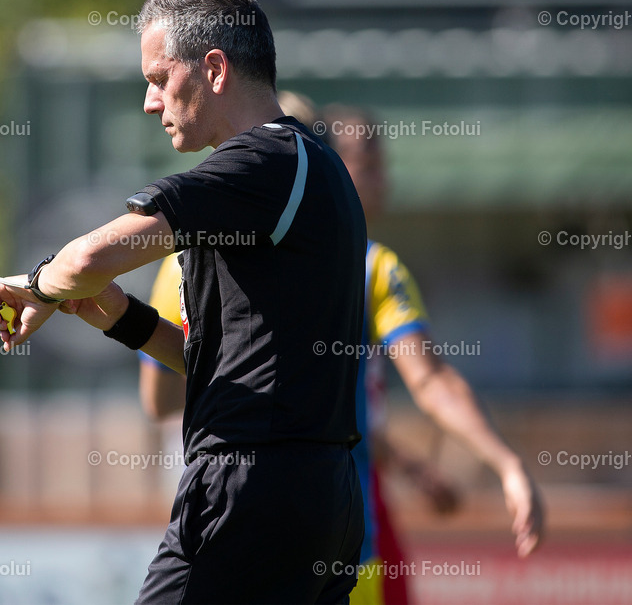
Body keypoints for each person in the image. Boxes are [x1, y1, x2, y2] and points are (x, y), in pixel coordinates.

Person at [0, 0, 367, 603]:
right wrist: (119, 316)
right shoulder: (312, 166)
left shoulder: (262, 163)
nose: (149, 101)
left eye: (159, 78)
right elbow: (215, 363)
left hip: (249, 484)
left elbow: (90, 256)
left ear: (214, 69)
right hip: (318, 491)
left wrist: (36, 285)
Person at [139, 102, 546, 604]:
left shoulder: (186, 255)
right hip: (335, 537)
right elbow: (428, 381)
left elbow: (159, 399)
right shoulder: (371, 266)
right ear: (325, 165)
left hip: (227, 522)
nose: (383, 180)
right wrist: (507, 463)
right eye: (367, 164)